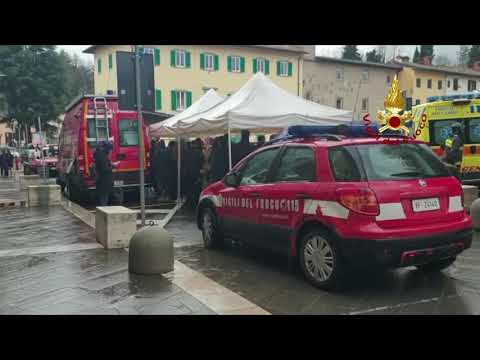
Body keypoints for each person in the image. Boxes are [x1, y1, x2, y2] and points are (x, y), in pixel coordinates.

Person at [94, 142, 114, 206]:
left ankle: (102, 209)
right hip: (104, 180)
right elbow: (104, 168)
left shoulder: (99, 155)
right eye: (111, 150)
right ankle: (103, 210)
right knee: (104, 198)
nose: (111, 152)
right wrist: (113, 166)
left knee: (102, 197)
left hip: (101, 180)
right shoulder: (103, 156)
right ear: (108, 149)